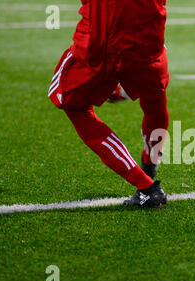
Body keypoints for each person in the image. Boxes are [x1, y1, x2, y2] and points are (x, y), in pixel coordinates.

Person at [48, 0, 169, 207]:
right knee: (154, 97)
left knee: (75, 106)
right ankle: (150, 161)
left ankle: (146, 186)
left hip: (100, 47)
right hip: (147, 43)